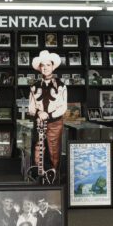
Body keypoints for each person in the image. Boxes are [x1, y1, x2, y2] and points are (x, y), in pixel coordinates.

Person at [27, 50, 67, 182]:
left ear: (52, 66)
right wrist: (39, 113)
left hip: (55, 122)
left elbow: (63, 107)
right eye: (42, 65)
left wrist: (48, 115)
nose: (45, 68)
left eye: (48, 65)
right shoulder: (34, 87)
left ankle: (53, 177)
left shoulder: (61, 86)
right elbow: (31, 107)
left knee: (53, 149)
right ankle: (39, 177)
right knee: (38, 148)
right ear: (39, 68)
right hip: (39, 121)